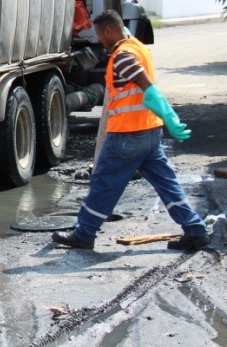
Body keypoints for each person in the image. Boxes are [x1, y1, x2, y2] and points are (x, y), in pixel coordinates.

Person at [51, 10, 209, 251]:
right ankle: (195, 230)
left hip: (127, 134)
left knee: (104, 182)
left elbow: (148, 88)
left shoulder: (123, 56)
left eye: (100, 34)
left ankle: (84, 233)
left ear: (109, 31)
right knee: (166, 183)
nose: (99, 40)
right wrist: (166, 119)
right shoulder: (138, 47)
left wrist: (170, 116)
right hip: (149, 132)